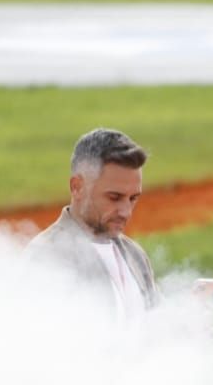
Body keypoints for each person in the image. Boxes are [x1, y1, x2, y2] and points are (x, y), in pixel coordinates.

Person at [22, 128, 160, 320]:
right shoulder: (46, 258)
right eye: (114, 197)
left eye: (133, 198)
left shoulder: (135, 255)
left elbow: (154, 337)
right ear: (77, 187)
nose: (126, 211)